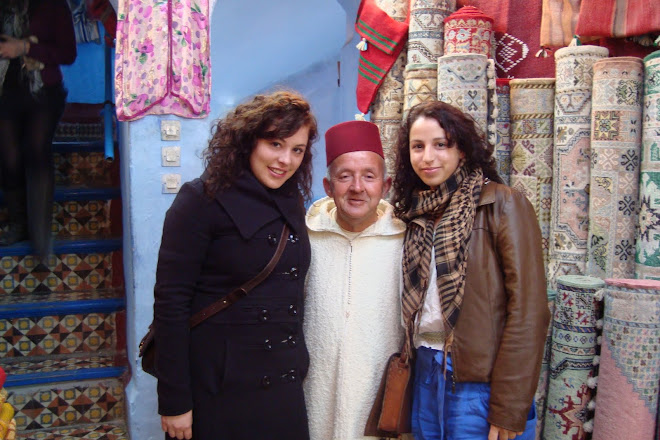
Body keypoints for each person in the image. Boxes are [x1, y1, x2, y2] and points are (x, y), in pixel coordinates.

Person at [153, 90, 318, 440]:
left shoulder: (292, 204)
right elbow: (171, 305)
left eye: (297, 150)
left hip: (281, 389)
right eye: (275, 144)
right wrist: (174, 400)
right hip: (218, 390)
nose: (285, 160)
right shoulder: (200, 200)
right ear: (247, 142)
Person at [391, 101, 550, 440]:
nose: (428, 157)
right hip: (425, 373)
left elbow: (529, 311)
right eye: (417, 147)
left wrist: (509, 407)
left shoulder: (502, 204)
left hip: (479, 385)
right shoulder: (415, 213)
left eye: (441, 144)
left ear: (461, 149)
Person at [303, 120, 406, 440]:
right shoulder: (303, 237)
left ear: (386, 185)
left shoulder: (407, 241)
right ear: (328, 186)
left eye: (369, 176)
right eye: (345, 176)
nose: (357, 187)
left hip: (380, 399)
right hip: (313, 394)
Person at [0, 0, 76, 256]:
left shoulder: (53, 5)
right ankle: (18, 224)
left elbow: (68, 53)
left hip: (44, 90)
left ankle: (41, 237)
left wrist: (25, 47)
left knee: (36, 149)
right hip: (5, 91)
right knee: (9, 158)